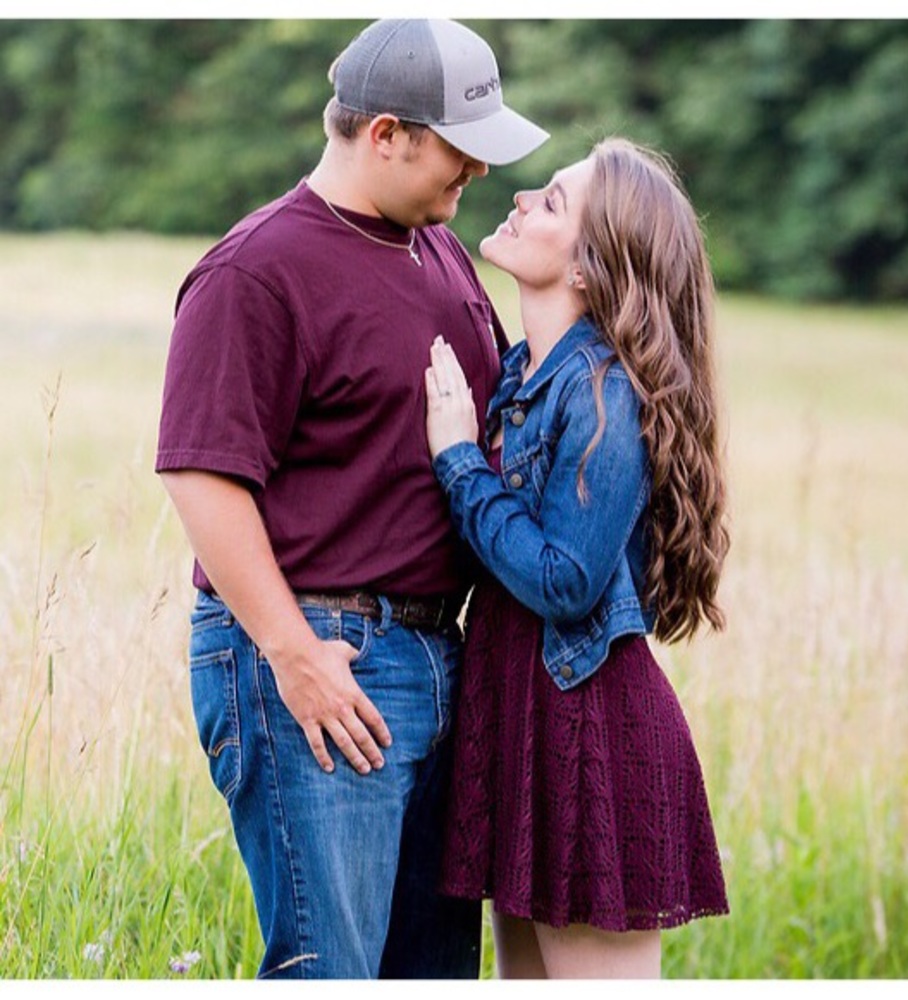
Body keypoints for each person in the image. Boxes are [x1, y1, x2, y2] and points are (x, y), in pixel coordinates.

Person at [155, 19, 547, 980]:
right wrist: (295, 656)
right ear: (383, 135)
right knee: (330, 969)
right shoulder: (258, 271)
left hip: (437, 653)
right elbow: (202, 475)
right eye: (461, 150)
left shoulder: (439, 250)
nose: (478, 174)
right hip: (326, 656)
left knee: (431, 971)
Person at [424, 137, 730, 979]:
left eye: (552, 202)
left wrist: (457, 459)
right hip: (523, 716)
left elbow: (565, 578)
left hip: (588, 727)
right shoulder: (525, 375)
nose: (521, 199)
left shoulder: (604, 393)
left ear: (592, 270)